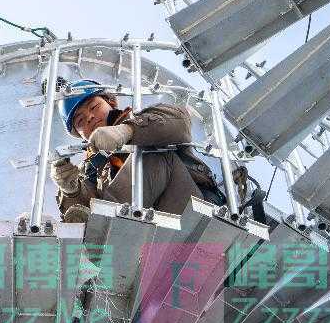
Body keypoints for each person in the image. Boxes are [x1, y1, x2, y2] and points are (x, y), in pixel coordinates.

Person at [50, 80, 224, 222]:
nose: (89, 117)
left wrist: (127, 131)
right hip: (146, 236)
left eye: (94, 107)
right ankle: (106, 226)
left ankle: (107, 225)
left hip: (187, 208)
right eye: (80, 121)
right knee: (87, 205)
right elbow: (82, 211)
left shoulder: (144, 118)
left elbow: (180, 122)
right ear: (79, 133)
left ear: (111, 102)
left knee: (148, 153)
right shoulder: (91, 168)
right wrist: (71, 191)